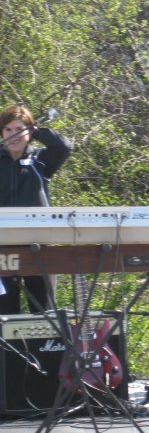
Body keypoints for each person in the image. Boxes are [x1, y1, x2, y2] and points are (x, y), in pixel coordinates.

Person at [0, 104, 73, 314]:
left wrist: (37, 130)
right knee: (5, 315)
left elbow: (64, 147)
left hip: (39, 247)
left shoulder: (41, 159)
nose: (14, 135)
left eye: (20, 129)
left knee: (44, 313)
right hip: (3, 248)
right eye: (8, 129)